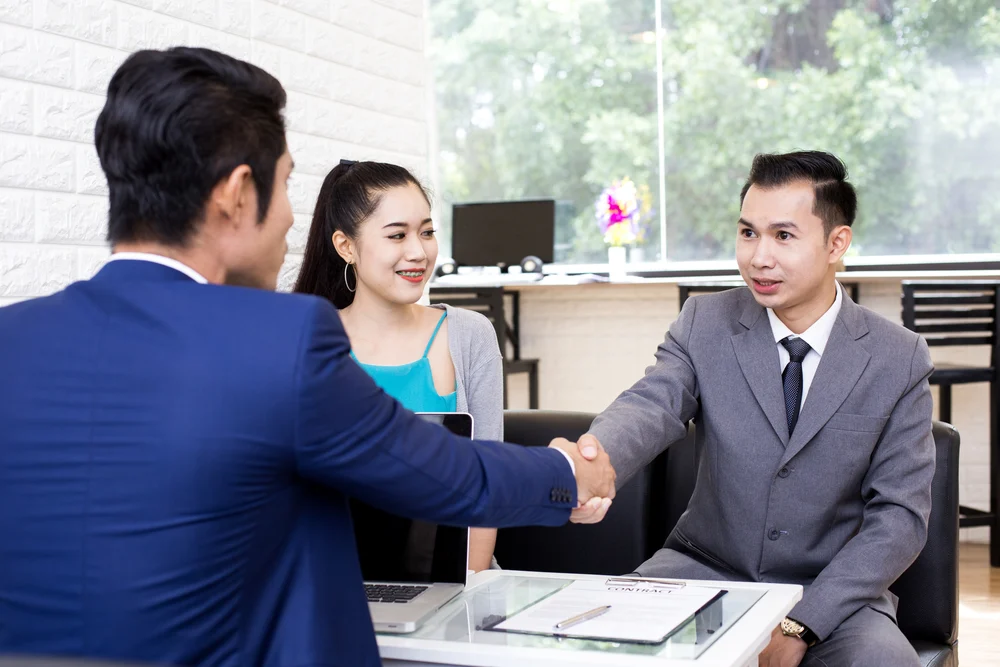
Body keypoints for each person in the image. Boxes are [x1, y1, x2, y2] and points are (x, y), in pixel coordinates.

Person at [0, 47, 615, 667]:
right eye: (287, 184)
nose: (295, 220)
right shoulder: (281, 339)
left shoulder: (11, 340)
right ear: (240, 194)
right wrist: (566, 474)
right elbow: (445, 476)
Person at [571, 151, 933, 666]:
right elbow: (652, 404)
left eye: (783, 236)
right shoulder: (704, 321)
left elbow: (899, 516)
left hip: (831, 593)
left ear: (837, 243)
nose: (758, 257)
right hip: (703, 571)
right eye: (748, 233)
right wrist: (593, 461)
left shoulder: (898, 357)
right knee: (595, 644)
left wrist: (802, 623)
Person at [294, 160, 502, 572]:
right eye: (397, 235)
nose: (418, 252)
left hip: (454, 580)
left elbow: (486, 493)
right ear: (345, 246)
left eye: (426, 232)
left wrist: (455, 600)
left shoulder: (469, 335)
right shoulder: (305, 342)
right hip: (332, 582)